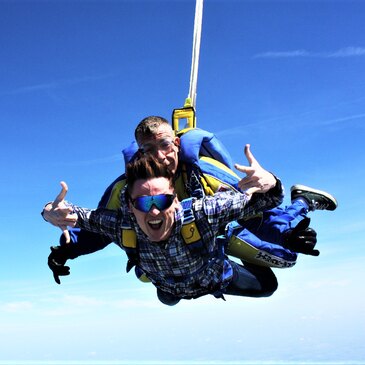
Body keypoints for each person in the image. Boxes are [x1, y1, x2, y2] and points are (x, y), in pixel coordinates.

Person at [43, 116, 337, 284]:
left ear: (177, 144)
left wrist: (287, 233)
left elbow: (255, 211)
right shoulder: (125, 189)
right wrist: (67, 249)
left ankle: (303, 202)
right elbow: (107, 227)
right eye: (148, 149)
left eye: (164, 145)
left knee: (284, 259)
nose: (159, 155)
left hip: (222, 230)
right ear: (139, 154)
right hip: (175, 261)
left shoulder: (206, 176)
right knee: (158, 286)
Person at [44, 154, 286, 305]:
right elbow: (73, 214)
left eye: (162, 201)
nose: (154, 212)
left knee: (269, 287)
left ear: (177, 200)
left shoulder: (202, 213)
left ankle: (233, 243)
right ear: (130, 206)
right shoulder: (121, 225)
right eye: (142, 203)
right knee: (167, 298)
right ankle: (171, 289)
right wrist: (49, 212)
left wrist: (271, 182)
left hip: (213, 277)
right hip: (169, 286)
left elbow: (266, 200)